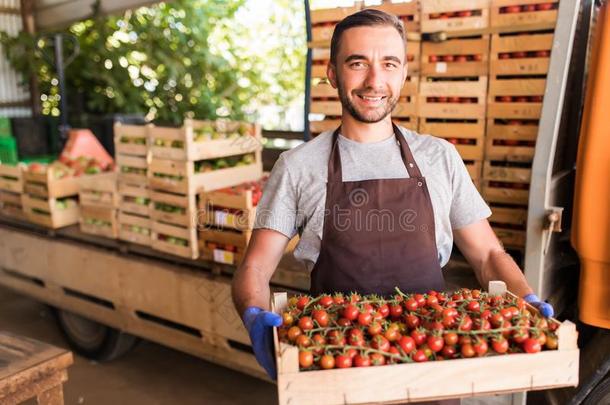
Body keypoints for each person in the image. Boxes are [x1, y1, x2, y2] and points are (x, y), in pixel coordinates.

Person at [231, 8, 553, 392]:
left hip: (431, 362)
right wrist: (253, 312)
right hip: (333, 364)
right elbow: (256, 266)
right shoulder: (298, 166)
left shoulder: (439, 157)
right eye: (357, 63)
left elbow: (486, 255)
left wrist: (525, 297)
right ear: (333, 73)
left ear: (403, 73)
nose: (374, 80)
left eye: (389, 64)